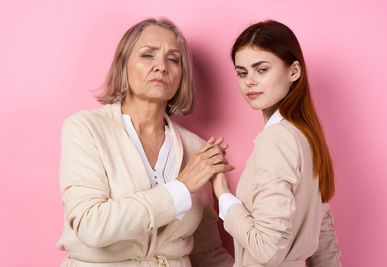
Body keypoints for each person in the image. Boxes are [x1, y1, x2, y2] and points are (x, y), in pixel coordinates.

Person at [57, 18, 235, 267]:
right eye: (148, 55)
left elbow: (206, 253)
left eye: (173, 59)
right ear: (123, 64)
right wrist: (181, 187)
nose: (161, 66)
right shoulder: (86, 129)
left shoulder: (198, 149)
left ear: (181, 75)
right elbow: (91, 226)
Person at [212, 20, 341, 266]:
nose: (249, 81)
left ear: (294, 71)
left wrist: (223, 194)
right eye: (242, 72)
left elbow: (266, 250)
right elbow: (324, 242)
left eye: (261, 69)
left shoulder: (277, 139)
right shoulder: (307, 136)